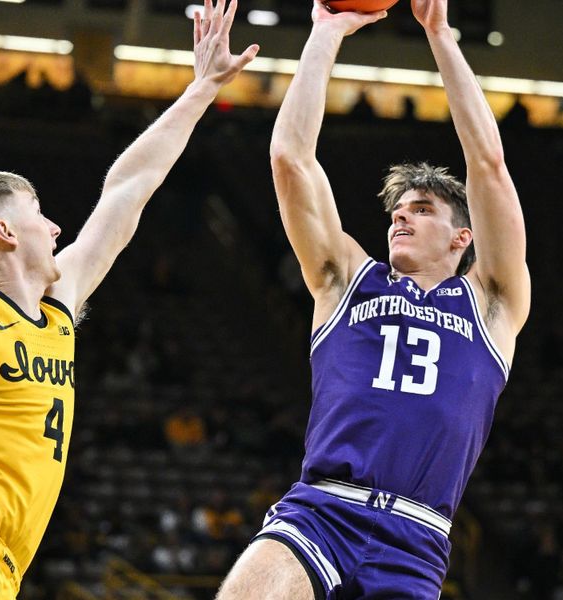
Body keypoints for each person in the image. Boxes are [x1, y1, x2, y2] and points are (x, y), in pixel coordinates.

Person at [217, 0, 530, 597]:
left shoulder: (492, 304)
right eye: (396, 211)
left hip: (416, 536)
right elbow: (290, 158)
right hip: (321, 513)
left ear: (464, 237)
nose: (400, 219)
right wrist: (326, 31)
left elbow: (488, 164)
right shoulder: (346, 279)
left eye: (421, 210)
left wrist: (440, 35)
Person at [0, 1, 257, 596]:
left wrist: (201, 90)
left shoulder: (53, 308)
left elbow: (126, 191)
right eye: (38, 213)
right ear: (4, 232)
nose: (56, 227)